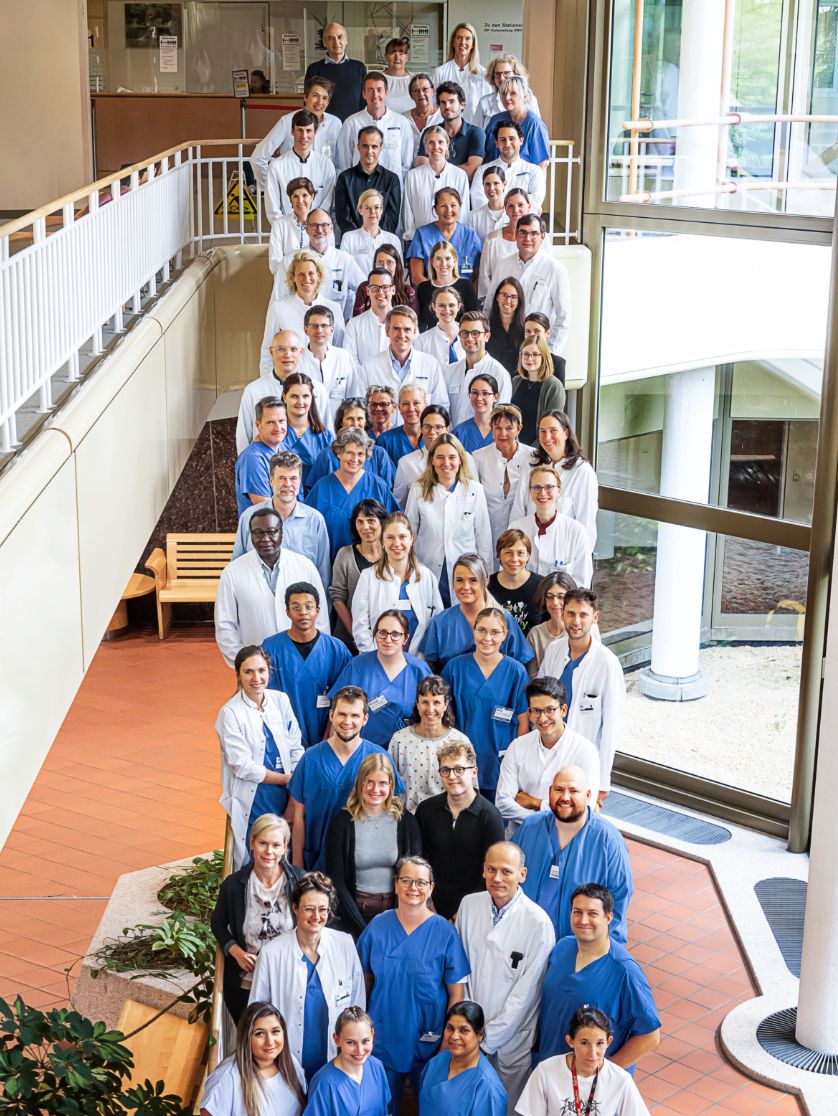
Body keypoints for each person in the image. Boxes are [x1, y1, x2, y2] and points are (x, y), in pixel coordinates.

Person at [356, 856, 470, 1112]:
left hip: (429, 1039)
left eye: (420, 882)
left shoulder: (445, 933)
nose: (413, 888)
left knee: (430, 1107)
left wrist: (448, 1040)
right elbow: (363, 983)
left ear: (431, 887)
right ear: (396, 885)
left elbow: (456, 995)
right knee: (382, 1107)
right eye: (406, 880)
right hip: (382, 1038)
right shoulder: (378, 926)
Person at [455, 844, 555, 1110]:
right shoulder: (468, 905)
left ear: (522, 874)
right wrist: (468, 1027)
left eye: (506, 872)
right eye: (491, 869)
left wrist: (487, 1039)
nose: (497, 878)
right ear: (483, 870)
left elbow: (527, 993)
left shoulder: (538, 924)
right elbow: (461, 970)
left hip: (512, 1037)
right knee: (469, 1104)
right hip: (471, 1030)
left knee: (505, 1105)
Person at [249, 874, 366, 1084]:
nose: (316, 916)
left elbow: (357, 1006)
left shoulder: (345, 945)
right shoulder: (271, 954)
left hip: (336, 1062)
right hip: (286, 1064)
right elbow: (256, 1014)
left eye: (323, 909)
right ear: (295, 908)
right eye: (309, 909)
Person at [536, 885, 660, 1072]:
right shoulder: (562, 948)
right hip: (549, 1070)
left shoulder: (625, 972)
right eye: (577, 912)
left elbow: (650, 1036)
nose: (583, 920)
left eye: (592, 914)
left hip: (590, 1087)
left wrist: (605, 1073)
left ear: (608, 917)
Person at [512, 765, 633, 943]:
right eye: (559, 790)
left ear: (588, 795)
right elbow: (507, 874)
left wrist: (600, 953)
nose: (565, 797)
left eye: (574, 791)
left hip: (579, 948)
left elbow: (619, 900)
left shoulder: (607, 840)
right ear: (550, 792)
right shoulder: (531, 827)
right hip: (524, 941)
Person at [288, 686, 403, 870]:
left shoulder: (379, 757)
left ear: (365, 719)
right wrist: (297, 864)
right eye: (342, 714)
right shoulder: (311, 758)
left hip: (363, 864)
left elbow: (392, 810)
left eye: (355, 715)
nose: (347, 721)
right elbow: (299, 817)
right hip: (317, 861)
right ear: (331, 715)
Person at [215, 646, 304, 870]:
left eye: (261, 671)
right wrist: (288, 779)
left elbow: (296, 745)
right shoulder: (230, 713)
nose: (256, 678)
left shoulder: (280, 700)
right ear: (238, 675)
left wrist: (293, 790)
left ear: (269, 672)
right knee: (258, 854)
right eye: (248, 672)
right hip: (255, 796)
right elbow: (243, 766)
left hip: (285, 794)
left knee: (284, 852)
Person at [211, 815, 305, 1023]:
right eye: (263, 843)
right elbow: (217, 923)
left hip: (288, 981)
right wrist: (236, 952)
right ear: (252, 842)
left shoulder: (299, 880)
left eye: (275, 845)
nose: (269, 851)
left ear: (285, 847)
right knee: (252, 1039)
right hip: (247, 982)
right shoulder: (234, 885)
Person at [215, 509, 329, 668]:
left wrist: (314, 656)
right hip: (255, 666)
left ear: (282, 533)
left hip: (302, 662)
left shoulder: (305, 566)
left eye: (272, 532)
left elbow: (320, 616)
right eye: (258, 533)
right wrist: (243, 663)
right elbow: (225, 625)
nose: (265, 539)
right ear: (251, 535)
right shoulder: (232, 573)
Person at [542, 590, 625, 800]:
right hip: (549, 750)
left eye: (583, 615)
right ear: (562, 614)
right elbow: (540, 697)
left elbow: (611, 726)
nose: (576, 621)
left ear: (594, 617)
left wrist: (603, 779)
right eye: (570, 614)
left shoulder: (607, 663)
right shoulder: (554, 650)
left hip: (584, 760)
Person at [326, 754, 422, 937]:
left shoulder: (407, 822)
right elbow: (336, 880)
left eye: (383, 783)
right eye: (369, 782)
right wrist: (361, 927)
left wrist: (399, 917)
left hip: (397, 913)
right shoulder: (341, 823)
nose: (375, 789)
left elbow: (416, 874)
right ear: (360, 783)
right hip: (353, 913)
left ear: (391, 785)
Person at [441, 607, 529, 800]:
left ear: (505, 635)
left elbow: (524, 721)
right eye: (481, 630)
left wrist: (518, 760)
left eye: (495, 632)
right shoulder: (455, 668)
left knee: (495, 822)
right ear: (473, 630)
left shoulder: (516, 672)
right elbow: (442, 717)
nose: (487, 638)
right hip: (460, 760)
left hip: (500, 761)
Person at [495, 677, 600, 835]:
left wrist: (534, 802)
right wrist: (549, 817)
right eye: (536, 711)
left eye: (550, 710)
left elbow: (585, 808)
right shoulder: (517, 746)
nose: (543, 718)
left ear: (563, 710)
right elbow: (502, 804)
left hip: (564, 838)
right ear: (529, 713)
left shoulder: (585, 751)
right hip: (520, 836)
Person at [415, 741, 505, 919]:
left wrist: (460, 916)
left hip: (474, 911)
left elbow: (492, 873)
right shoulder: (426, 810)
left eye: (459, 769)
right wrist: (426, 903)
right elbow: (419, 860)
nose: (452, 776)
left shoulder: (491, 817)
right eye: (445, 770)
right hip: (428, 907)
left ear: (474, 771)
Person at [262, 583, 352, 750]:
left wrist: (332, 732)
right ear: (287, 612)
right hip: (283, 733)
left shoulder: (336, 649)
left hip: (328, 732)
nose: (303, 612)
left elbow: (347, 696)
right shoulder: (271, 649)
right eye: (296, 607)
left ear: (317, 610)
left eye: (308, 607)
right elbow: (265, 696)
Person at [404, 433, 492, 606]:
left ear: (460, 459)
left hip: (466, 574)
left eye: (452, 457)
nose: (446, 463)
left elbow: (484, 538)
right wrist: (410, 572)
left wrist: (485, 579)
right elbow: (409, 535)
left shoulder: (474, 490)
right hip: (427, 569)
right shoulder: (418, 490)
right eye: (440, 457)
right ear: (432, 461)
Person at [517, 1006, 652, 1116]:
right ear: (570, 1041)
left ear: (609, 1042)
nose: (592, 1053)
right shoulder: (545, 1072)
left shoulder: (621, 1080)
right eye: (584, 1043)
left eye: (599, 1043)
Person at [329, 610, 431, 748]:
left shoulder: (419, 670)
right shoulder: (357, 667)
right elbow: (337, 713)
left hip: (408, 751)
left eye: (395, 634)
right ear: (375, 635)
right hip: (362, 751)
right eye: (382, 633)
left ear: (405, 638)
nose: (388, 640)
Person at [233, 451, 331, 592]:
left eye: (293, 478)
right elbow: (237, 567)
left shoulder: (315, 520)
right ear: (271, 481)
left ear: (300, 481)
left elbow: (323, 574)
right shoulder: (249, 517)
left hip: (302, 606)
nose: (288, 484)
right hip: (259, 601)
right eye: (282, 478)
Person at [420, 553, 534, 672]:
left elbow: (522, 664)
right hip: (452, 689)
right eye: (459, 580)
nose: (466, 587)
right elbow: (431, 666)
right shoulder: (442, 622)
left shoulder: (503, 618)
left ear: (485, 581)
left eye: (473, 580)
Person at [352, 512, 443, 654]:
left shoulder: (427, 577)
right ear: (382, 541)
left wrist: (420, 661)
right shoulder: (368, 577)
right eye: (390, 537)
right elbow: (361, 628)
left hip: (418, 662)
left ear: (411, 539)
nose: (397, 543)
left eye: (402, 537)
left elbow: (436, 626)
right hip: (376, 662)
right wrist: (378, 660)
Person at [199, 999, 306, 1116]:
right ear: (246, 1037)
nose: (270, 1042)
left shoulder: (291, 1064)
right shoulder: (227, 1076)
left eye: (275, 1031)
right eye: (260, 1033)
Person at [510, 411, 599, 549]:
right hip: (529, 550)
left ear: (566, 433)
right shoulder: (531, 461)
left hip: (563, 553)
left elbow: (586, 526)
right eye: (542, 431)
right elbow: (518, 509)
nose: (547, 437)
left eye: (553, 431)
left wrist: (579, 563)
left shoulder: (582, 472)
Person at [306, 428, 398, 561]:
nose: (355, 459)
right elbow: (308, 529)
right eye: (349, 453)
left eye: (360, 454)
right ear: (339, 453)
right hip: (330, 563)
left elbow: (394, 524)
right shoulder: (322, 488)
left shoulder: (378, 485)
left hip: (373, 565)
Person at [485, 215, 571, 353]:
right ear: (516, 235)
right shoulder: (503, 265)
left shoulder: (555, 269)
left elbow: (564, 317)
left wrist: (550, 352)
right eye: (523, 232)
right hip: (503, 344)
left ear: (542, 237)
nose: (528, 238)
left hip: (536, 348)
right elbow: (489, 305)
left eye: (534, 233)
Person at [237, 329, 330, 453]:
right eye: (281, 349)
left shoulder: (317, 389)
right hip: (267, 466)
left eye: (293, 349)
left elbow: (327, 436)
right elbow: (243, 438)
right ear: (271, 352)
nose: (288, 355)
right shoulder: (253, 391)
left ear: (301, 351)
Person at [390, 675, 473, 812]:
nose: (430, 709)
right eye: (425, 702)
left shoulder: (460, 742)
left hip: (448, 820)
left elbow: (470, 790)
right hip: (408, 819)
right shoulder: (399, 740)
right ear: (417, 704)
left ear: (445, 704)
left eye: (436, 702)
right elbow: (390, 786)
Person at [251, 75, 341, 190]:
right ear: (305, 97)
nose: (319, 102)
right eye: (315, 96)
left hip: (324, 197)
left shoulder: (335, 124)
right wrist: (270, 189)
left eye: (324, 98)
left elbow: (339, 164)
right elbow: (258, 158)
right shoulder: (287, 121)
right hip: (292, 197)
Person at [418, 1000, 507, 1116]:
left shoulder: (487, 1087)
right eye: (450, 1028)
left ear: (480, 1035)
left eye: (464, 1030)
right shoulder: (436, 1063)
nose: (454, 1036)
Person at [261, 252, 345, 374]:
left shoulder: (334, 308)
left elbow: (339, 348)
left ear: (319, 275)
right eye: (301, 274)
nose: (306, 279)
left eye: (311, 273)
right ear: (292, 277)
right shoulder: (278, 308)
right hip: (289, 383)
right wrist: (269, 385)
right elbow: (267, 351)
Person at [508, 465, 592, 587]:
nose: (542, 493)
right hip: (524, 601)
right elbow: (507, 574)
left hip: (562, 603)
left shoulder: (577, 532)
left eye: (549, 487)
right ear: (530, 491)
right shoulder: (516, 528)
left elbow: (582, 583)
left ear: (559, 491)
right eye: (536, 487)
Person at [350, 305, 449, 406]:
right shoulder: (369, 366)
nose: (401, 335)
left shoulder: (430, 364)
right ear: (387, 331)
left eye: (407, 329)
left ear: (414, 332)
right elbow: (360, 407)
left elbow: (441, 406)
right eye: (396, 329)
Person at [305, 1006, 391, 1115]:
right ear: (337, 1039)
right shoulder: (324, 1083)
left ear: (372, 1035)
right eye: (350, 1042)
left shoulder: (376, 1067)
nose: (359, 1051)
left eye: (365, 1041)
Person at [328, 499, 388, 646]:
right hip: (349, 638)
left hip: (387, 638)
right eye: (360, 522)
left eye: (371, 520)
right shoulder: (345, 554)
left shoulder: (392, 554)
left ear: (382, 522)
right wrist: (357, 633)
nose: (365, 527)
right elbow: (337, 597)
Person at [474, 403, 533, 549]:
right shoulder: (478, 457)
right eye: (498, 428)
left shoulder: (533, 457)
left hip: (524, 535)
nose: (503, 433)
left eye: (509, 428)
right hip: (488, 534)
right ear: (491, 428)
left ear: (519, 429)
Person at [337, 72, 414, 183]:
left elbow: (406, 164)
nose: (375, 95)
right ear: (363, 94)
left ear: (386, 93)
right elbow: (344, 162)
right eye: (370, 90)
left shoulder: (401, 123)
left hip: (391, 189)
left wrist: (398, 189)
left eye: (379, 90)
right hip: (359, 190)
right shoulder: (351, 123)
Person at [286, 212, 365, 321]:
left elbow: (365, 288)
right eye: (314, 225)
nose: (319, 230)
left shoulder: (344, 259)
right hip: (300, 322)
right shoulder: (291, 259)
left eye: (324, 225)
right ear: (306, 228)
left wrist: (355, 320)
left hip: (336, 324)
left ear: (331, 228)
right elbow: (280, 296)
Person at [306, 398, 396, 491]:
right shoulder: (327, 455)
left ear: (366, 422)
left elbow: (388, 491)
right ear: (341, 421)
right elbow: (313, 492)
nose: (355, 424)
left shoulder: (379, 454)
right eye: (350, 419)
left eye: (360, 419)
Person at [266, 111, 336, 222]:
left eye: (308, 131)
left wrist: (315, 226)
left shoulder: (326, 165)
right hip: (287, 231)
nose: (304, 136)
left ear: (315, 132)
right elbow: (273, 209)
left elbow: (327, 203)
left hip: (318, 230)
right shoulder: (276, 166)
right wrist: (285, 230)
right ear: (292, 131)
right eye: (300, 130)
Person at [403, 126, 470, 241]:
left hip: (452, 242)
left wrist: (456, 239)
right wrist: (412, 239)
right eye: (431, 143)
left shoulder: (460, 175)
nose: (436, 147)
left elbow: (463, 213)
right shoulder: (413, 176)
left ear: (447, 144)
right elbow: (408, 213)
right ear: (425, 146)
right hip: (421, 241)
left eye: (440, 142)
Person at [446, 310, 512, 426]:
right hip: (453, 440)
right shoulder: (451, 371)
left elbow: (502, 419)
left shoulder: (499, 373)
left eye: (475, 333)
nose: (470, 338)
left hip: (484, 442)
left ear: (487, 336)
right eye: (464, 333)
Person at [407, 188, 482, 286]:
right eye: (443, 206)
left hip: (463, 297)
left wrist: (468, 297)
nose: (448, 210)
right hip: (432, 296)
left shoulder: (471, 236)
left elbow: (478, 276)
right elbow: (416, 276)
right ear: (435, 209)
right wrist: (438, 294)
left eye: (453, 205)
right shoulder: (422, 234)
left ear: (459, 207)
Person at [335, 127, 402, 236]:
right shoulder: (344, 178)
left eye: (374, 146)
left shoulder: (392, 179)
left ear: (381, 148)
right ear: (358, 147)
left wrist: (376, 236)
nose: (369, 151)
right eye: (365, 146)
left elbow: (392, 218)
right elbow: (343, 217)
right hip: (352, 243)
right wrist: (359, 238)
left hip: (383, 242)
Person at [298, 306, 357, 426]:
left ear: (332, 329)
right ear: (305, 330)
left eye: (324, 326)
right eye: (314, 326)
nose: (319, 330)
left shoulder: (344, 358)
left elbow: (354, 398)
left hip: (340, 430)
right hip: (308, 430)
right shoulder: (298, 361)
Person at [417, 82, 485, 182]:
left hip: (463, 192)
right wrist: (460, 169)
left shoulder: (476, 133)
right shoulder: (430, 132)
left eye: (451, 101)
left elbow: (471, 171)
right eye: (443, 102)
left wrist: (437, 167)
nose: (447, 106)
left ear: (462, 105)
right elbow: (421, 166)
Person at [471, 122, 546, 211]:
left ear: (521, 140)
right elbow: (478, 202)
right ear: (497, 143)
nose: (507, 144)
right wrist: (520, 204)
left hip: (523, 224)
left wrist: (496, 204)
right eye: (502, 139)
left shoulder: (534, 171)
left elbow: (535, 202)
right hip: (490, 223)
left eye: (511, 139)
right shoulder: (483, 170)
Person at [234, 396, 289, 516]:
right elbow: (267, 511)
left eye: (281, 421)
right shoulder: (253, 459)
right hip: (264, 532)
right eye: (270, 422)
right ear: (258, 425)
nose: (278, 428)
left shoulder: (284, 447)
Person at [304, 22, 366, 122]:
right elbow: (309, 103)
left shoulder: (359, 68)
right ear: (324, 42)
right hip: (324, 128)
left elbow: (364, 101)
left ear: (346, 40)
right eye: (331, 38)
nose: (336, 42)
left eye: (340, 37)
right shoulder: (314, 69)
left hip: (353, 126)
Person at [281, 373, 332, 493]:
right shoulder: (276, 434)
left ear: (311, 397)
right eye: (294, 396)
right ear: (284, 397)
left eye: (305, 396)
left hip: (319, 501)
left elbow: (333, 476)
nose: (300, 401)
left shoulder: (325, 436)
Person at [432, 22, 491, 124]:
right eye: (459, 38)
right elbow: (432, 105)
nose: (463, 42)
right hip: (446, 132)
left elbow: (488, 107)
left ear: (473, 44)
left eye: (467, 38)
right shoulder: (440, 72)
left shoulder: (483, 74)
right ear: (453, 42)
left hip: (474, 130)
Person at [511, 339, 567, 445]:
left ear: (544, 356)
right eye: (526, 354)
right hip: (514, 449)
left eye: (535, 354)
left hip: (540, 451)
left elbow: (552, 427)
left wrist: (531, 452)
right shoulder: (515, 381)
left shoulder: (554, 386)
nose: (529, 358)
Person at [485, 77, 550, 168]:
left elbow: (541, 164)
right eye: (504, 93)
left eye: (513, 93)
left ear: (525, 96)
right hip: (494, 177)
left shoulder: (534, 125)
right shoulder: (495, 121)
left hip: (523, 178)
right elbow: (485, 154)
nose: (507, 97)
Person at [480, 193, 531, 309]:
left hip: (529, 305)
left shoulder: (538, 240)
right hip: (499, 305)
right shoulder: (492, 239)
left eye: (520, 205)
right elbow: (484, 275)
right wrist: (497, 302)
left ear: (529, 206)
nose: (516, 210)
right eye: (510, 206)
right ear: (505, 209)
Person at [488, 529, 544, 634]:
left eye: (520, 553)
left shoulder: (542, 586)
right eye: (508, 552)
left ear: (528, 556)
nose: (514, 559)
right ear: (499, 555)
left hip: (533, 648)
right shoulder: (487, 585)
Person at [416, 241, 479, 330]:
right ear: (432, 262)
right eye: (438, 259)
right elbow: (421, 322)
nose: (443, 263)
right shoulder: (423, 288)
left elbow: (473, 321)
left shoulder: (466, 286)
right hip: (431, 340)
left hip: (460, 341)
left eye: (447, 258)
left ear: (454, 261)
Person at [525, 573, 580, 674]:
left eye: (561, 596)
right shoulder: (536, 634)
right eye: (549, 596)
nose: (555, 602)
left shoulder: (582, 630)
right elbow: (532, 676)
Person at [339, 190, 402, 277]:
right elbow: (344, 270)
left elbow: (398, 272)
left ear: (381, 209)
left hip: (386, 289)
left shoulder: (393, 240)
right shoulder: (349, 238)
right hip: (357, 289)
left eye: (376, 207)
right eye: (367, 208)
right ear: (360, 210)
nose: (372, 212)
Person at [475, 54, 542, 131]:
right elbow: (476, 132)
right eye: (497, 74)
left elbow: (536, 128)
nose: (502, 78)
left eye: (506, 73)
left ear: (516, 73)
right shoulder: (484, 102)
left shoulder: (530, 99)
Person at [351, 245, 417, 317]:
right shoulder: (364, 288)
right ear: (375, 265)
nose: (385, 267)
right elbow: (358, 321)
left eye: (389, 262)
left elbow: (412, 323)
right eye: (380, 263)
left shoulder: (408, 292)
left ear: (397, 265)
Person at [376, 382, 427, 466]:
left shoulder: (433, 438)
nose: (411, 409)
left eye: (416, 403)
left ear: (425, 405)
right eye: (405, 404)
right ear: (399, 407)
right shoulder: (385, 440)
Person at [268, 177, 313, 264]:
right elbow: (274, 264)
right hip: (287, 277)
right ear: (290, 199)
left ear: (312, 197)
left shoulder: (322, 224)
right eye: (295, 196)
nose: (300, 201)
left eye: (304, 195)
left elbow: (327, 260)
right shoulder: (279, 225)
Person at [414, 286, 464, 364]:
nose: (447, 310)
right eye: (441, 305)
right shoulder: (422, 341)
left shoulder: (470, 336)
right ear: (434, 307)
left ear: (458, 306)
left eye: (451, 305)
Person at [451, 373, 498, 452]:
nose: (479, 398)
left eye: (485, 393)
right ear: (469, 395)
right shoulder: (458, 433)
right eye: (474, 393)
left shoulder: (506, 431)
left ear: (496, 397)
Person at [403, 72, 442, 158]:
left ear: (433, 91)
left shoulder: (443, 117)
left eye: (425, 89)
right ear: (411, 95)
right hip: (409, 170)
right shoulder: (403, 119)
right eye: (416, 91)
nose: (421, 94)